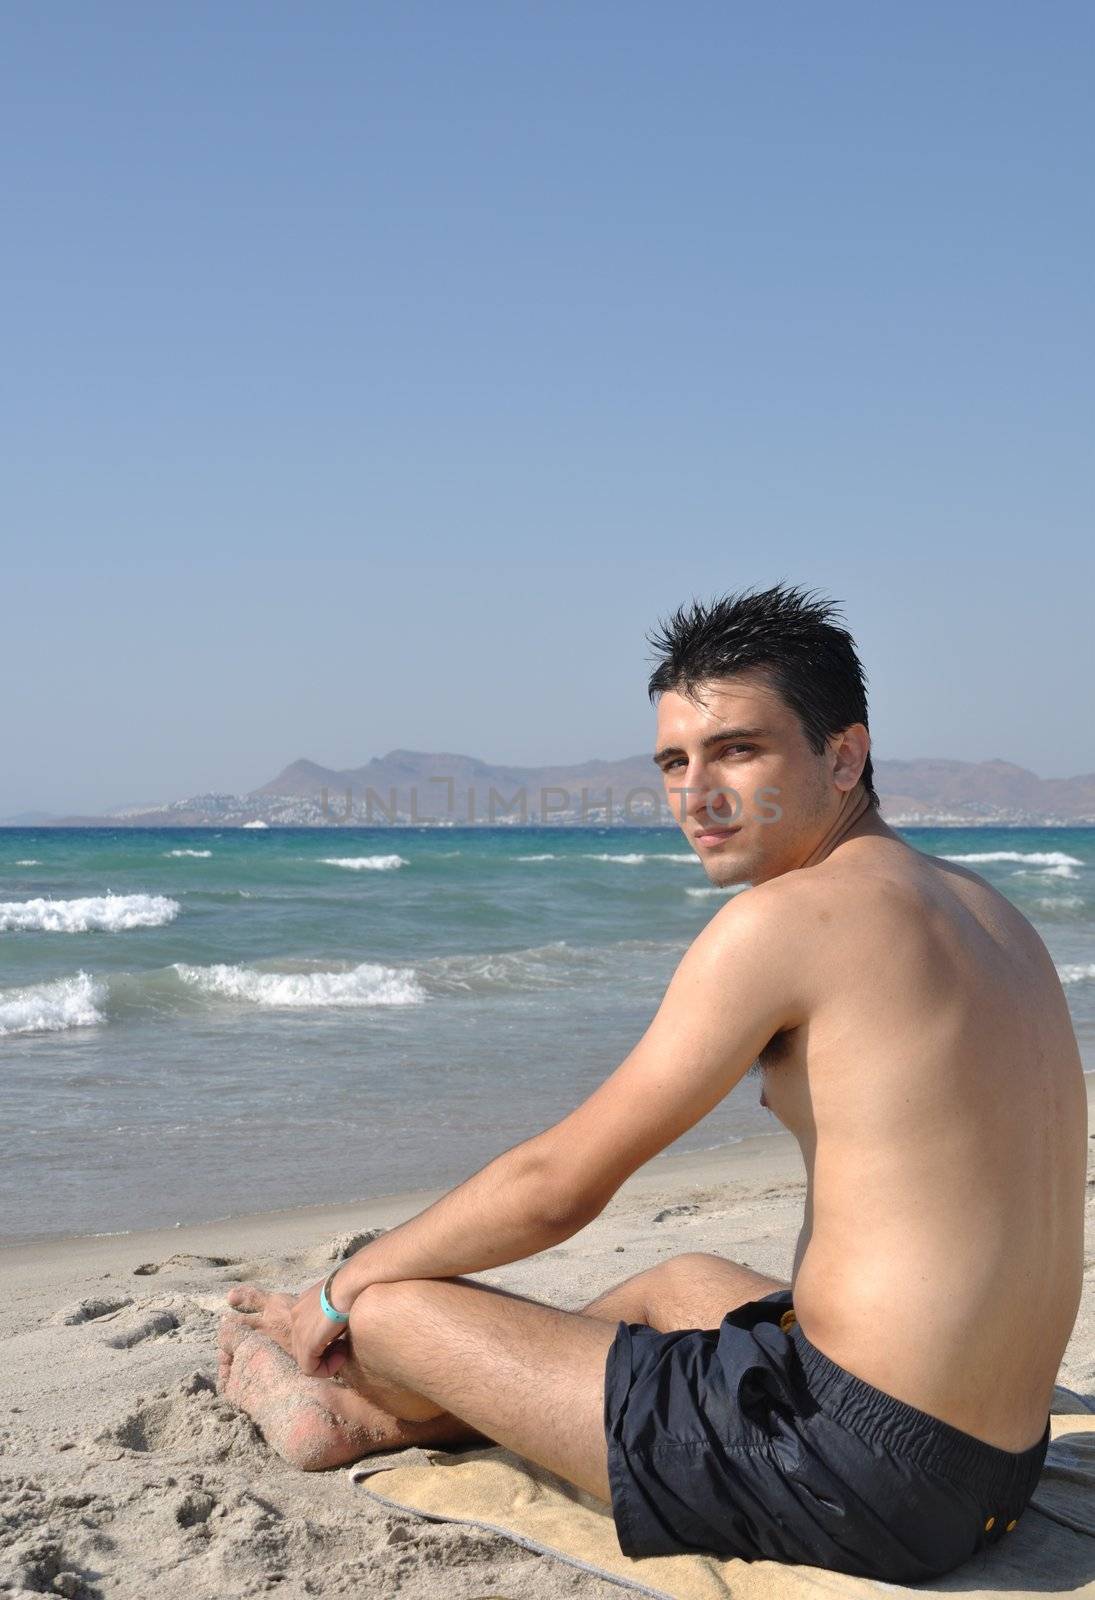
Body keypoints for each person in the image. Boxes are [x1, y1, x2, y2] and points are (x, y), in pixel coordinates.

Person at [218, 581, 1086, 1581]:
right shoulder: (988, 909)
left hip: (860, 1474)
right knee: (682, 1284)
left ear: (843, 753)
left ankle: (350, 1405)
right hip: (993, 1463)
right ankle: (395, 1408)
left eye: (739, 751)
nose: (697, 794)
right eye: (676, 760)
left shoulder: (784, 923)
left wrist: (332, 1292)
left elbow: (558, 1185)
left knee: (392, 1309)